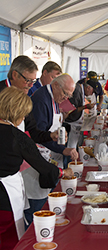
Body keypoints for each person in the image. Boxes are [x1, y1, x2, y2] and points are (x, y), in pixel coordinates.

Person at [0, 87, 74, 250]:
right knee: (8, 249)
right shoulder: (17, 137)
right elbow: (43, 166)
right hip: (4, 200)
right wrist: (63, 171)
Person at [22, 74, 78, 226]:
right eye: (65, 94)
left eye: (69, 95)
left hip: (49, 158)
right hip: (36, 162)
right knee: (37, 208)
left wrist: (60, 138)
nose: (66, 98)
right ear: (56, 86)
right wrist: (63, 149)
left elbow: (50, 129)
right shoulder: (41, 100)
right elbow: (38, 135)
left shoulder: (54, 97)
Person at [0, 55, 59, 143]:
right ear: (15, 75)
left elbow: (32, 130)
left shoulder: (25, 98)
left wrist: (50, 135)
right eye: (28, 80)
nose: (31, 85)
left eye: (33, 81)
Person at [65, 81, 99, 149]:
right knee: (70, 147)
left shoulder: (80, 90)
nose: (92, 94)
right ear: (88, 88)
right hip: (71, 123)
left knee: (73, 146)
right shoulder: (77, 91)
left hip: (75, 123)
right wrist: (86, 107)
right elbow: (71, 110)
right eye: (92, 91)